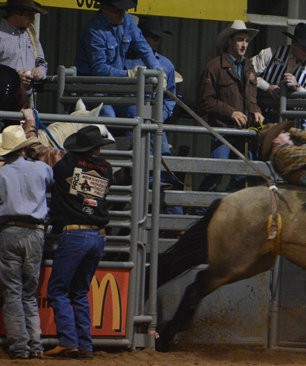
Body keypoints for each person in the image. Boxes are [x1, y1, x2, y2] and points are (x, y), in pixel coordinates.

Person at [0, 122, 54, 360]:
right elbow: (51, 181)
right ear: (24, 148)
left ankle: (19, 347)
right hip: (36, 233)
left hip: (8, 232)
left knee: (12, 293)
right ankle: (36, 345)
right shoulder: (42, 169)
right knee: (29, 293)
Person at [44, 126, 114, 359]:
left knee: (57, 289)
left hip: (75, 234)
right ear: (96, 148)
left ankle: (67, 340)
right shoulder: (107, 169)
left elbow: (43, 154)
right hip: (98, 236)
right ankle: (85, 344)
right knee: (80, 291)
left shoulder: (65, 163)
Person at [196, 20, 264, 193]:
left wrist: (256, 112)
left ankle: (229, 207)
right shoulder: (214, 67)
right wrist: (231, 112)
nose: (244, 45)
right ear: (229, 41)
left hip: (244, 133)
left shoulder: (249, 67)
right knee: (215, 173)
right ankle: (200, 205)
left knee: (242, 176)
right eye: (240, 40)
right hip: (223, 131)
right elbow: (205, 100)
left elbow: (252, 99)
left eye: (246, 41)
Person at [123, 15, 182, 214]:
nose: (155, 41)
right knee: (134, 171)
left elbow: (170, 98)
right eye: (151, 36)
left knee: (163, 170)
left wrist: (160, 116)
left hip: (155, 124)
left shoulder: (166, 65)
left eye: (158, 37)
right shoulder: (125, 62)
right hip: (131, 123)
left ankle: (173, 220)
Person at [74, 0, 161, 117]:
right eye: (117, 10)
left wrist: (156, 70)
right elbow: (99, 69)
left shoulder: (128, 21)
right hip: (94, 88)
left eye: (124, 10)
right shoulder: (93, 32)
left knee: (138, 114)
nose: (122, 14)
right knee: (108, 115)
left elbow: (142, 46)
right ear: (104, 8)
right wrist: (129, 74)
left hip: (118, 87)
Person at [0, 0, 48, 95]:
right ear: (16, 13)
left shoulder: (30, 36)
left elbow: (41, 62)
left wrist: (40, 71)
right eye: (29, 15)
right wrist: (12, 78)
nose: (33, 19)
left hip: (23, 97)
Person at [251, 22, 306, 116]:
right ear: (293, 43)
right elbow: (248, 73)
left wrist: (297, 87)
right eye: (303, 47)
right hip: (263, 112)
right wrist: (268, 87)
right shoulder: (271, 53)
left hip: (295, 117)